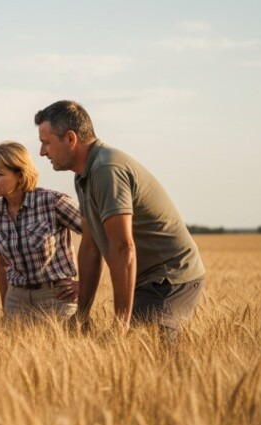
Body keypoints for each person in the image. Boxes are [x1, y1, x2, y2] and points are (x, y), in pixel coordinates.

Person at [35, 100, 205, 338]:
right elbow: (90, 247)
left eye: (46, 143)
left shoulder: (107, 169)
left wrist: (120, 323)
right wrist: (82, 315)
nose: (42, 152)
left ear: (71, 139)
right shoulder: (83, 175)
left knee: (145, 350)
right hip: (144, 280)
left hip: (168, 278)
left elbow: (123, 246)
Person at [0, 141, 82, 320]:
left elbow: (102, 235)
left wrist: (84, 286)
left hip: (56, 297)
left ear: (20, 175)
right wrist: (7, 303)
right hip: (16, 300)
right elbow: (2, 261)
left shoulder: (53, 202)